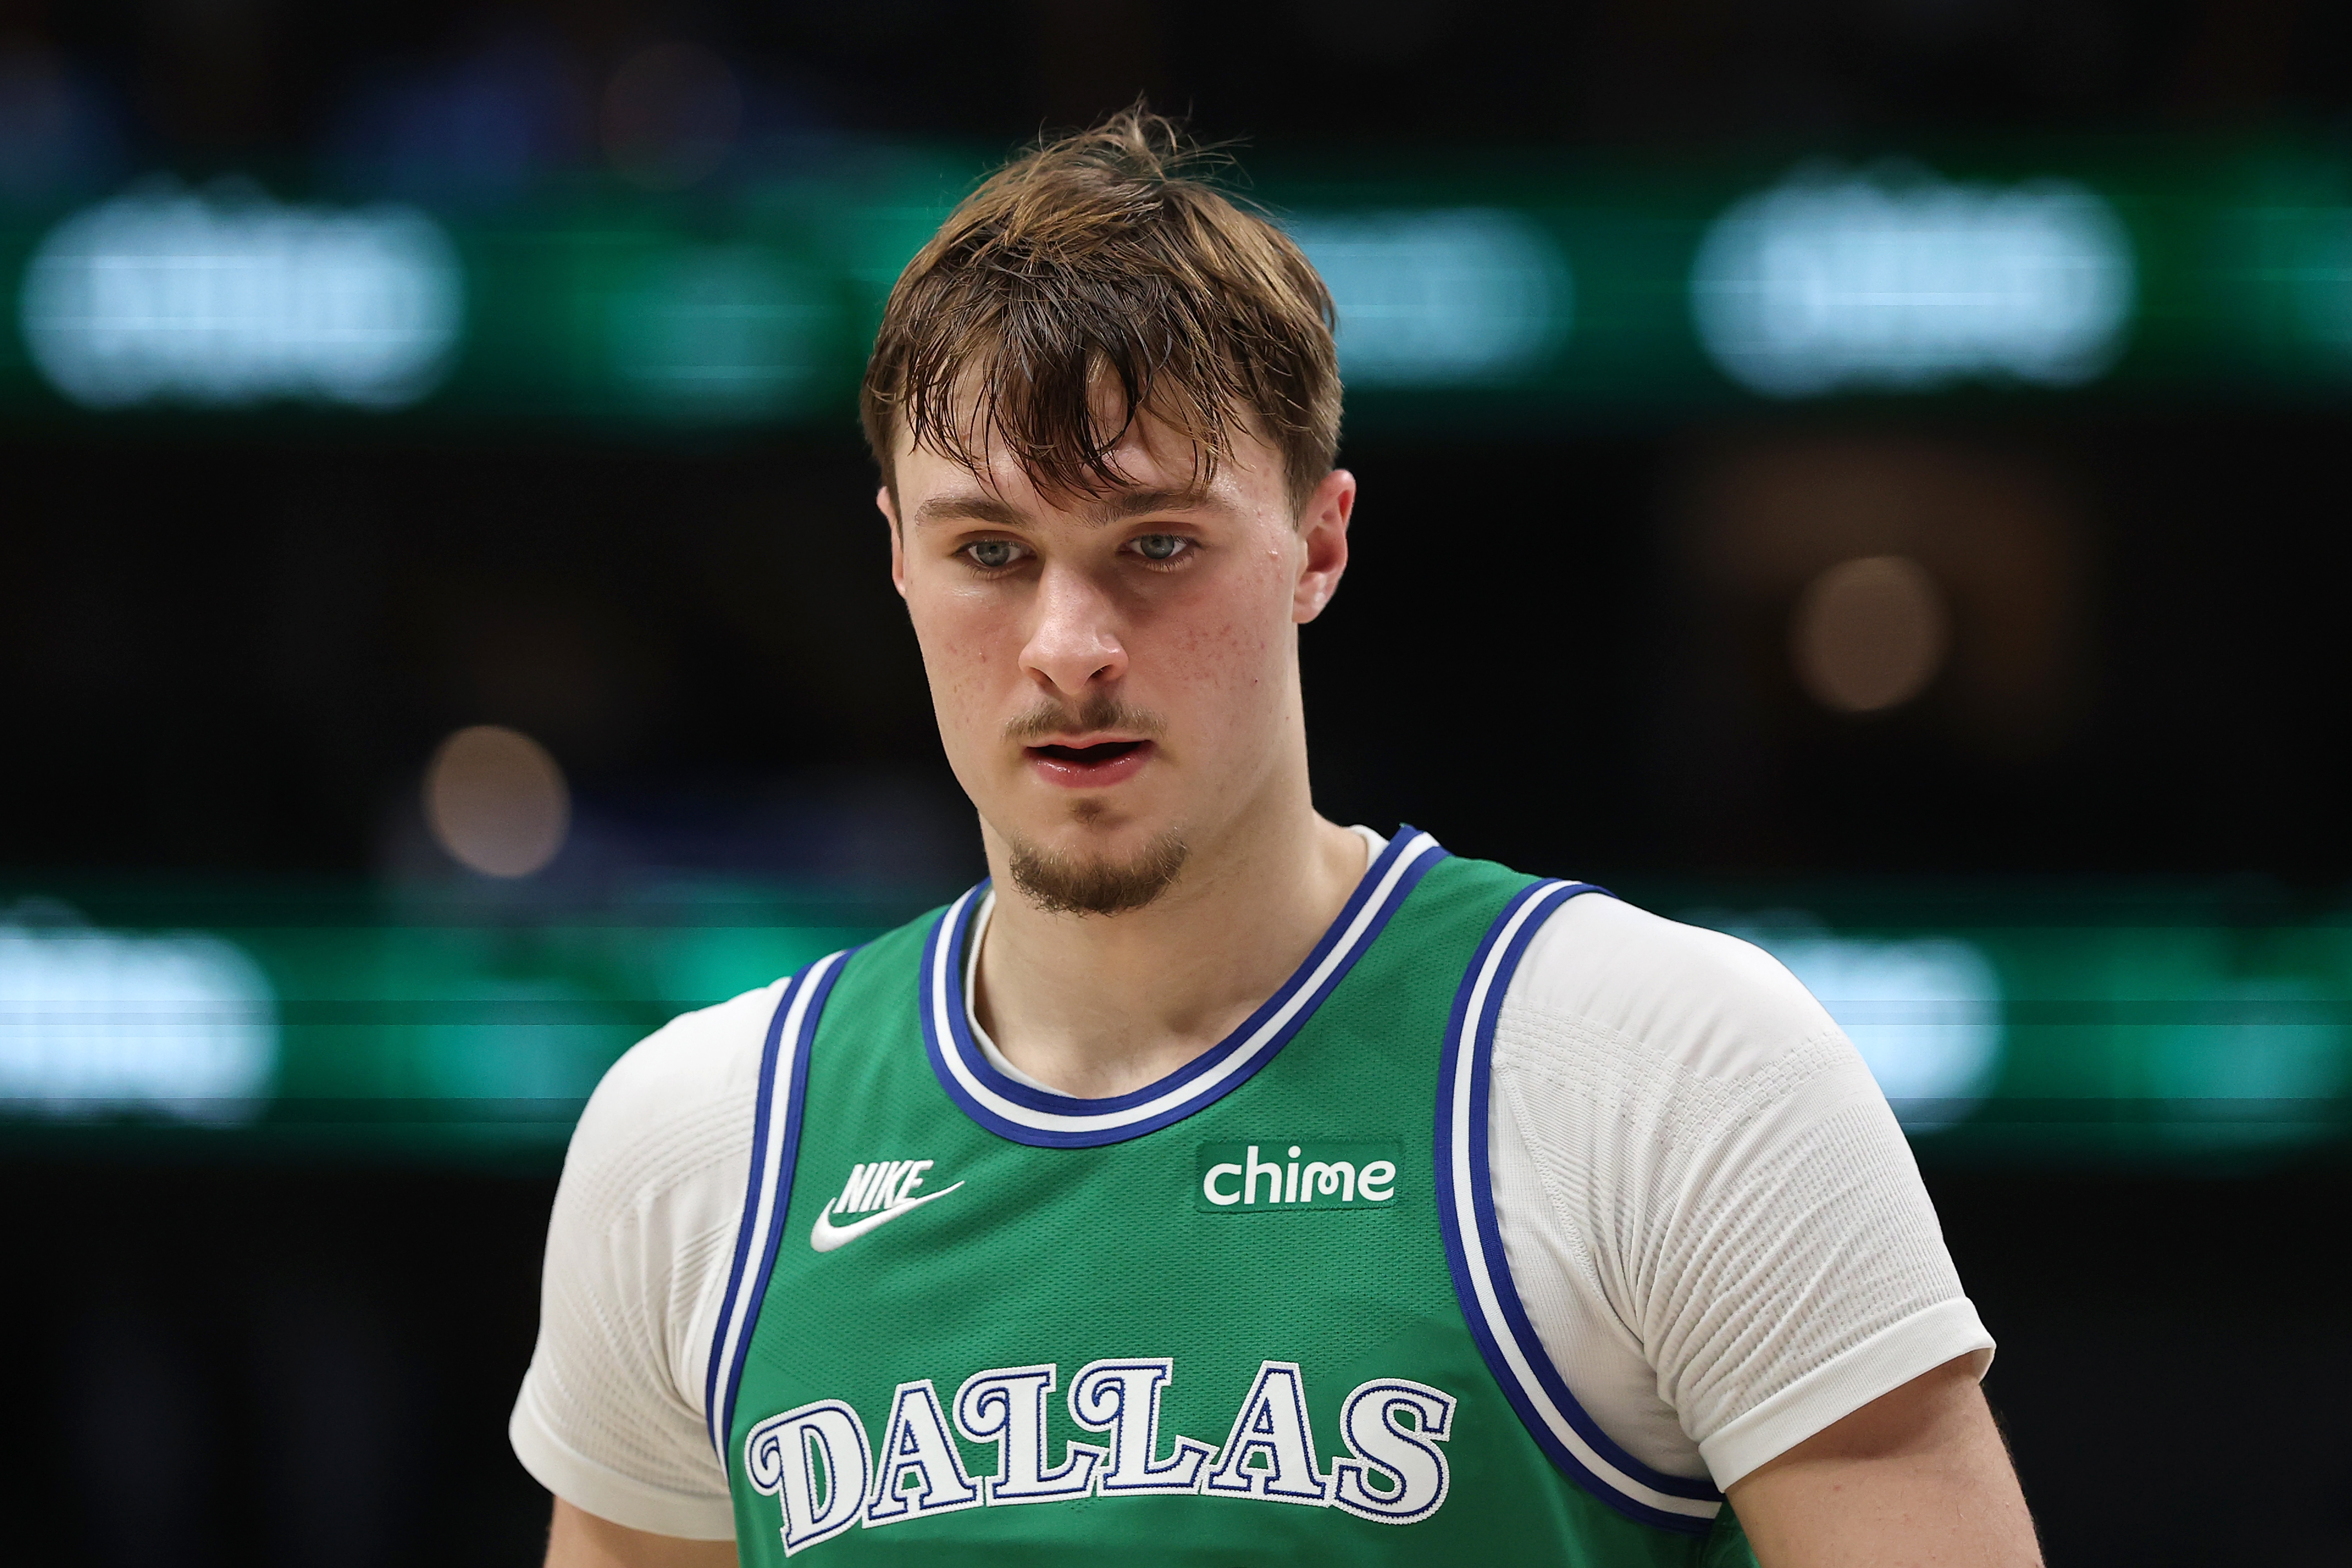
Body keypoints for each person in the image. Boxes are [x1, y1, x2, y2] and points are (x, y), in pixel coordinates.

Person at [510, 109, 2041, 1567]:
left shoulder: (1661, 1071)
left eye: (1156, 543)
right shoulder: (699, 1147)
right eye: (990, 549)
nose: (1069, 647)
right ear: (899, 557)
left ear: (1319, 542)